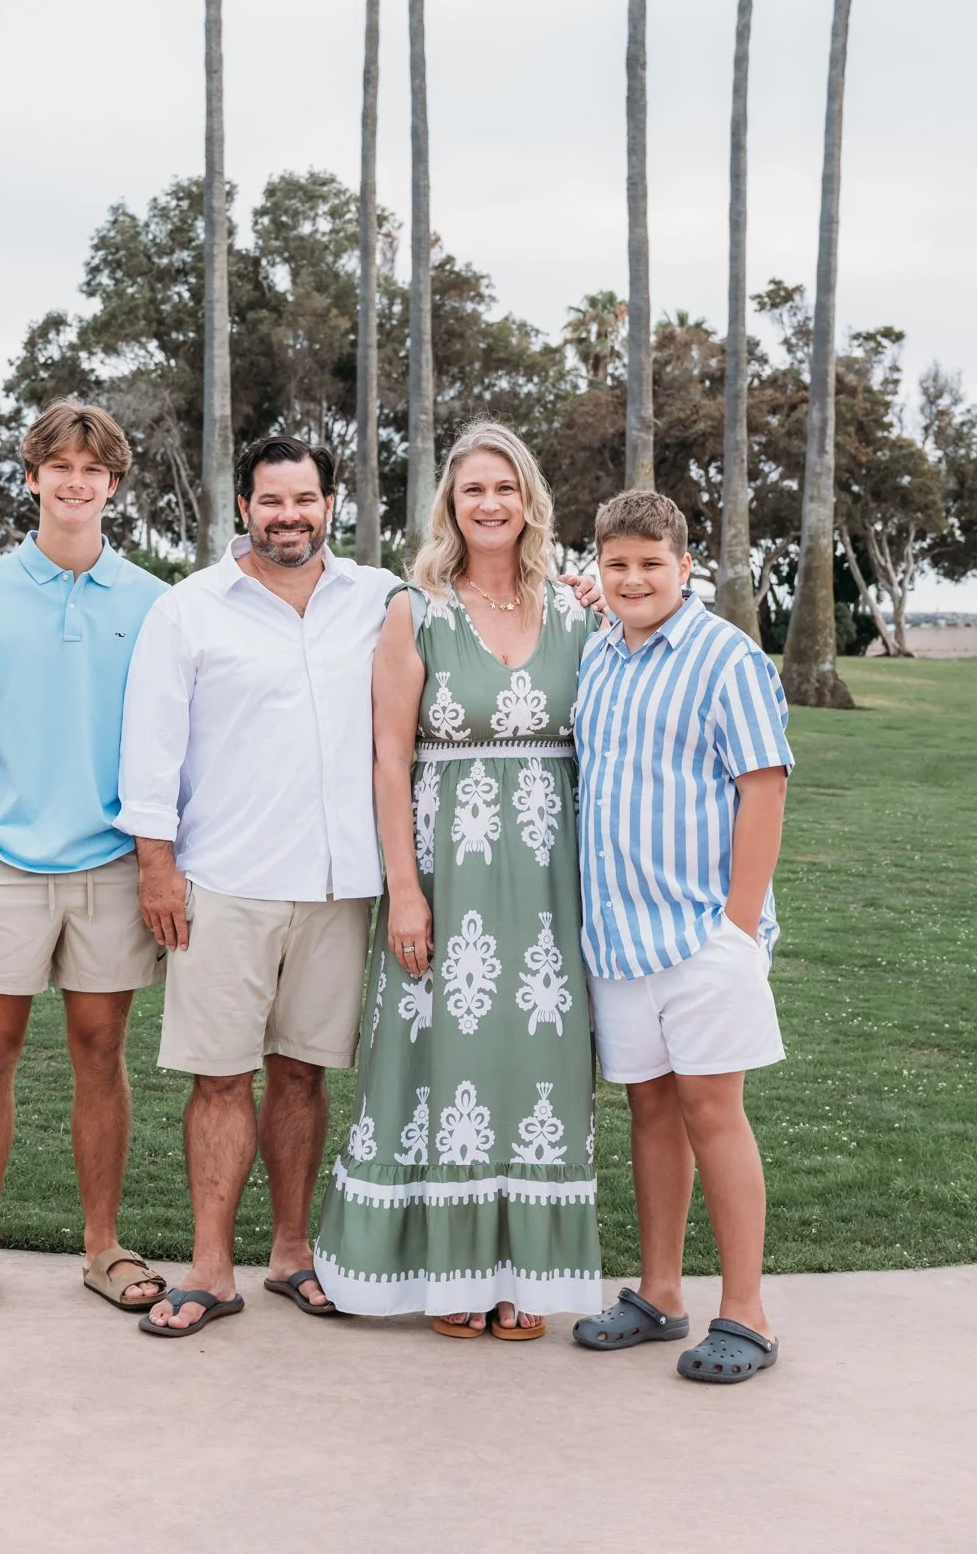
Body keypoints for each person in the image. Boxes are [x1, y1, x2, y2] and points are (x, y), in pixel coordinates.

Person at [314, 422, 601, 1338]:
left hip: (551, 881)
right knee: (437, 1062)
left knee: (536, 1065)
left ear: (528, 503)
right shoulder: (415, 609)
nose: (489, 504)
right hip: (443, 868)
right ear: (450, 503)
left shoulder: (574, 609)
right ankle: (447, 1274)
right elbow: (389, 757)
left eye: (505, 489)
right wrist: (404, 887)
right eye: (473, 489)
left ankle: (519, 1273)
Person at [118, 436, 395, 1336]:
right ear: (243, 506)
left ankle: (288, 1255)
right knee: (219, 1080)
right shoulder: (189, 610)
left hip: (334, 884)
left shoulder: (378, 601)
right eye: (271, 501)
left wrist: (584, 590)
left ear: (329, 506)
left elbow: (485, 609)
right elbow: (150, 750)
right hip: (223, 881)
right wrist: (156, 868)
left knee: (304, 1075)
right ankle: (209, 1270)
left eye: (305, 500)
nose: (289, 517)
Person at [0, 401, 170, 1317]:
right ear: (32, 479)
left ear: (112, 485)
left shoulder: (151, 602)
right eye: (58, 466)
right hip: (6, 867)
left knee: (101, 1053)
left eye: (92, 469)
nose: (75, 481)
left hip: (110, 864)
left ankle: (102, 1247)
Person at [571, 490, 792, 1384]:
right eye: (615, 564)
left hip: (702, 934)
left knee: (712, 1113)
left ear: (684, 567)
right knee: (650, 1112)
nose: (632, 579)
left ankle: (746, 1314)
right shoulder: (597, 658)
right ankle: (657, 1295)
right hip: (619, 937)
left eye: (649, 564)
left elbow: (764, 788)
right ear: (598, 569)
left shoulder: (724, 658)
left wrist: (738, 929)